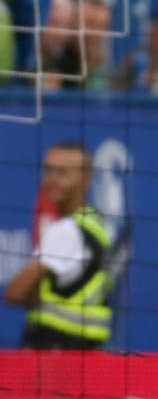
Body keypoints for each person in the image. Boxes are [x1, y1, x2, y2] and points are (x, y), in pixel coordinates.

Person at [5, 141, 114, 349]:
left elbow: (15, 293)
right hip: (85, 352)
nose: (52, 181)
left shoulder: (66, 231)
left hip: (56, 354)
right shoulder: (96, 224)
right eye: (49, 171)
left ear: (86, 178)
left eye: (63, 173)